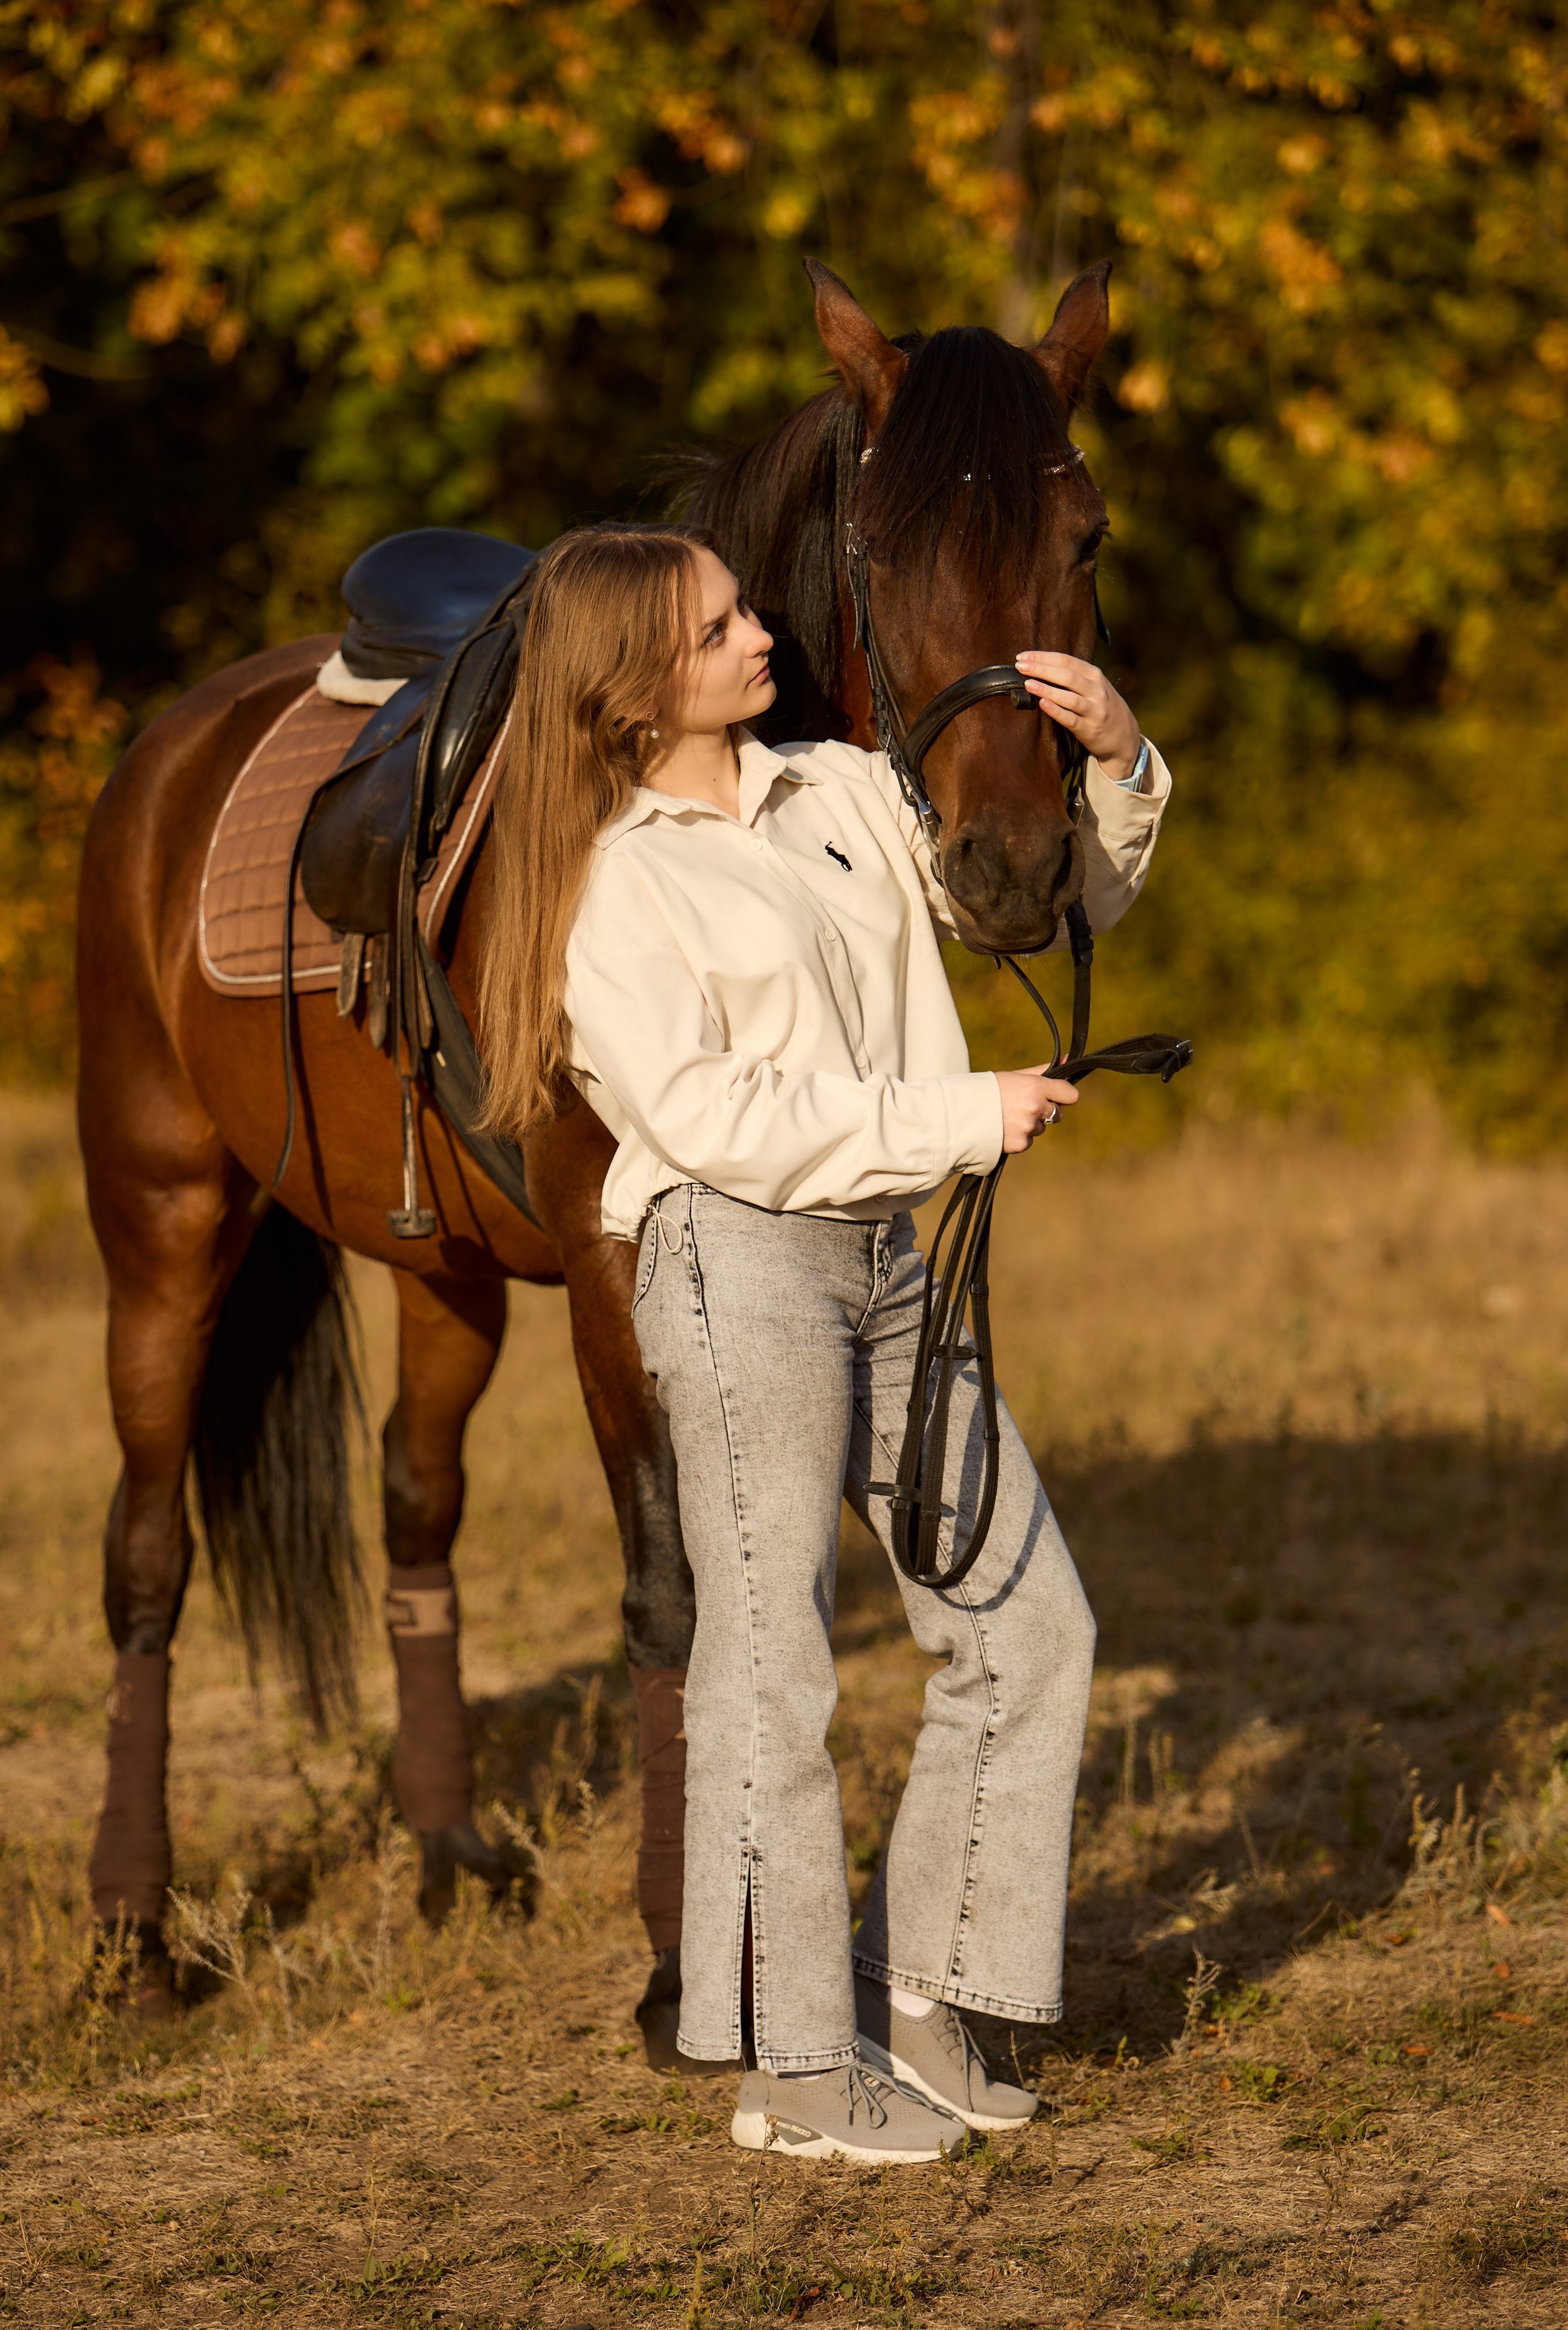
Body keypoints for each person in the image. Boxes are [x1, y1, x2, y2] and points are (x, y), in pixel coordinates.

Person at [479, 522, 1170, 2164]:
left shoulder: (843, 788)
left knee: (1030, 1620)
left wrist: (1122, 758)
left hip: (886, 1258)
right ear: (636, 688)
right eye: (719, 626)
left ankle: (919, 1981)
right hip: (738, 1264)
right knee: (772, 1664)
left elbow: (1046, 896)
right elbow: (712, 1114)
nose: (758, 634)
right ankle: (792, 2064)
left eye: (740, 607)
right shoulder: (608, 878)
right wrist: (959, 1110)